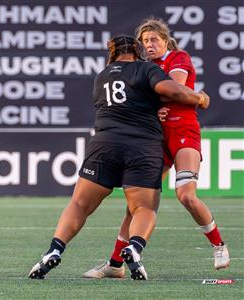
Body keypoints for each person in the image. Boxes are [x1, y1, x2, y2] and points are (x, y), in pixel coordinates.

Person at [28, 35, 210, 280]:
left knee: (80, 204)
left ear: (112, 53)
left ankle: (54, 249)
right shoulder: (146, 69)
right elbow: (172, 90)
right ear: (137, 51)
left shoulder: (101, 76)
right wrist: (198, 97)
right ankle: (134, 248)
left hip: (105, 145)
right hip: (143, 147)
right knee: (143, 207)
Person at [84, 18, 229, 280]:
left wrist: (153, 101)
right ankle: (115, 264)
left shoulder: (178, 58)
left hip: (183, 132)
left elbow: (174, 90)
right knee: (136, 205)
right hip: (154, 138)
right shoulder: (143, 67)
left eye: (154, 40)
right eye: (145, 41)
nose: (149, 45)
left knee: (186, 195)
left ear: (165, 40)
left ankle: (218, 245)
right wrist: (151, 107)